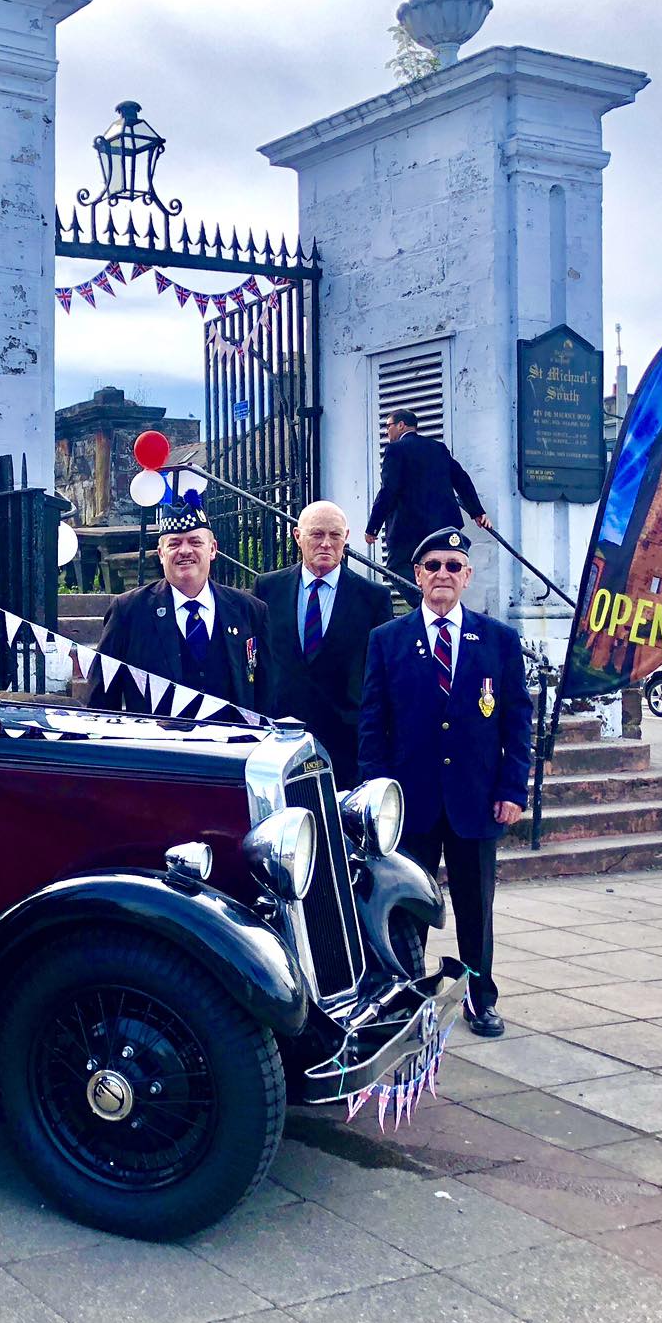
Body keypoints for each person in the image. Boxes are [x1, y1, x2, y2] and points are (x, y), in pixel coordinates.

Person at [359, 528, 530, 1039]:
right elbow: (373, 723)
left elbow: (517, 720)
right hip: (410, 805)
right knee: (401, 904)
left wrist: (512, 790)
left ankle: (481, 996)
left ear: (467, 576)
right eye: (432, 565)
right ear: (417, 575)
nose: (442, 574)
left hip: (475, 802)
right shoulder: (387, 640)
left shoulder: (497, 640)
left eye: (453, 566)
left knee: (475, 909)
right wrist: (375, 798)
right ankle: (402, 998)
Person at [93, 491, 266, 716]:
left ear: (212, 549)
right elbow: (103, 698)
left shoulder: (250, 610)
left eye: (195, 542)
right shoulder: (128, 611)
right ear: (161, 553)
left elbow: (267, 694)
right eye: (174, 544)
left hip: (235, 748)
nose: (185, 551)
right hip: (158, 747)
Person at [256, 500, 392, 784]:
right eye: (317, 535)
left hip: (346, 745)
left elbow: (381, 678)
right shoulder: (267, 589)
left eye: (335, 536)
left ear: (346, 538)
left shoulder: (373, 598)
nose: (326, 544)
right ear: (297, 537)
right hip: (281, 742)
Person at [363, 408, 489, 591]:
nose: (386, 432)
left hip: (408, 527)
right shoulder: (438, 447)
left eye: (388, 426)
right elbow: (461, 478)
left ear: (401, 425)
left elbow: (388, 491)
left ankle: (426, 602)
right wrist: (477, 512)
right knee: (436, 565)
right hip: (443, 525)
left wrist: (373, 528)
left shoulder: (395, 450)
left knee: (396, 566)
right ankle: (434, 602)